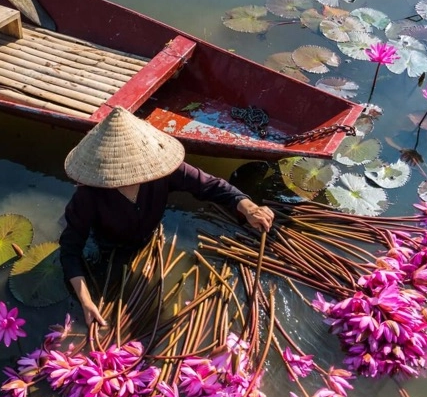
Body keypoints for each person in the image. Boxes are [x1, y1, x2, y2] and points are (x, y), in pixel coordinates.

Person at [59, 106, 274, 326]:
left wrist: (247, 206)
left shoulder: (161, 171)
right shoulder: (89, 195)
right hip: (109, 245)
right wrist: (86, 300)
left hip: (149, 235)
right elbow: (69, 251)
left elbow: (210, 185)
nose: (130, 177)